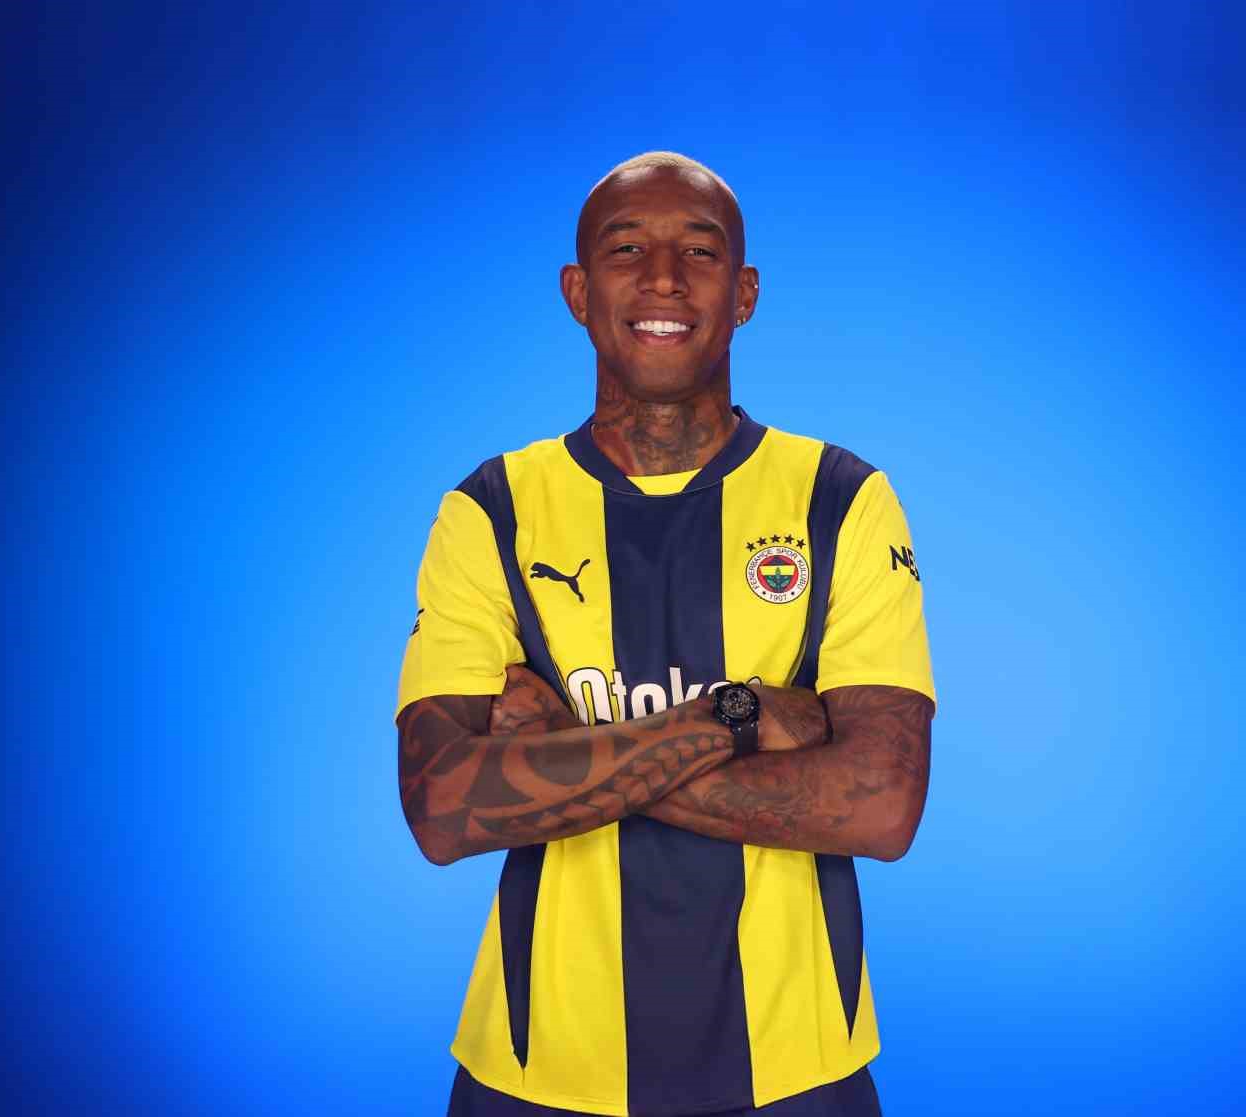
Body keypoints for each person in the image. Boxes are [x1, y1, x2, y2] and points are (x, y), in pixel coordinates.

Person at [396, 151, 935, 1117]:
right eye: (626, 249)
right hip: (541, 1071)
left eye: (699, 250)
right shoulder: (492, 511)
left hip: (795, 1067)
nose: (663, 279)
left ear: (745, 293)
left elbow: (884, 805)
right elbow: (441, 809)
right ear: (577, 291)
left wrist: (568, 748)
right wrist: (735, 718)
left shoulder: (842, 499)